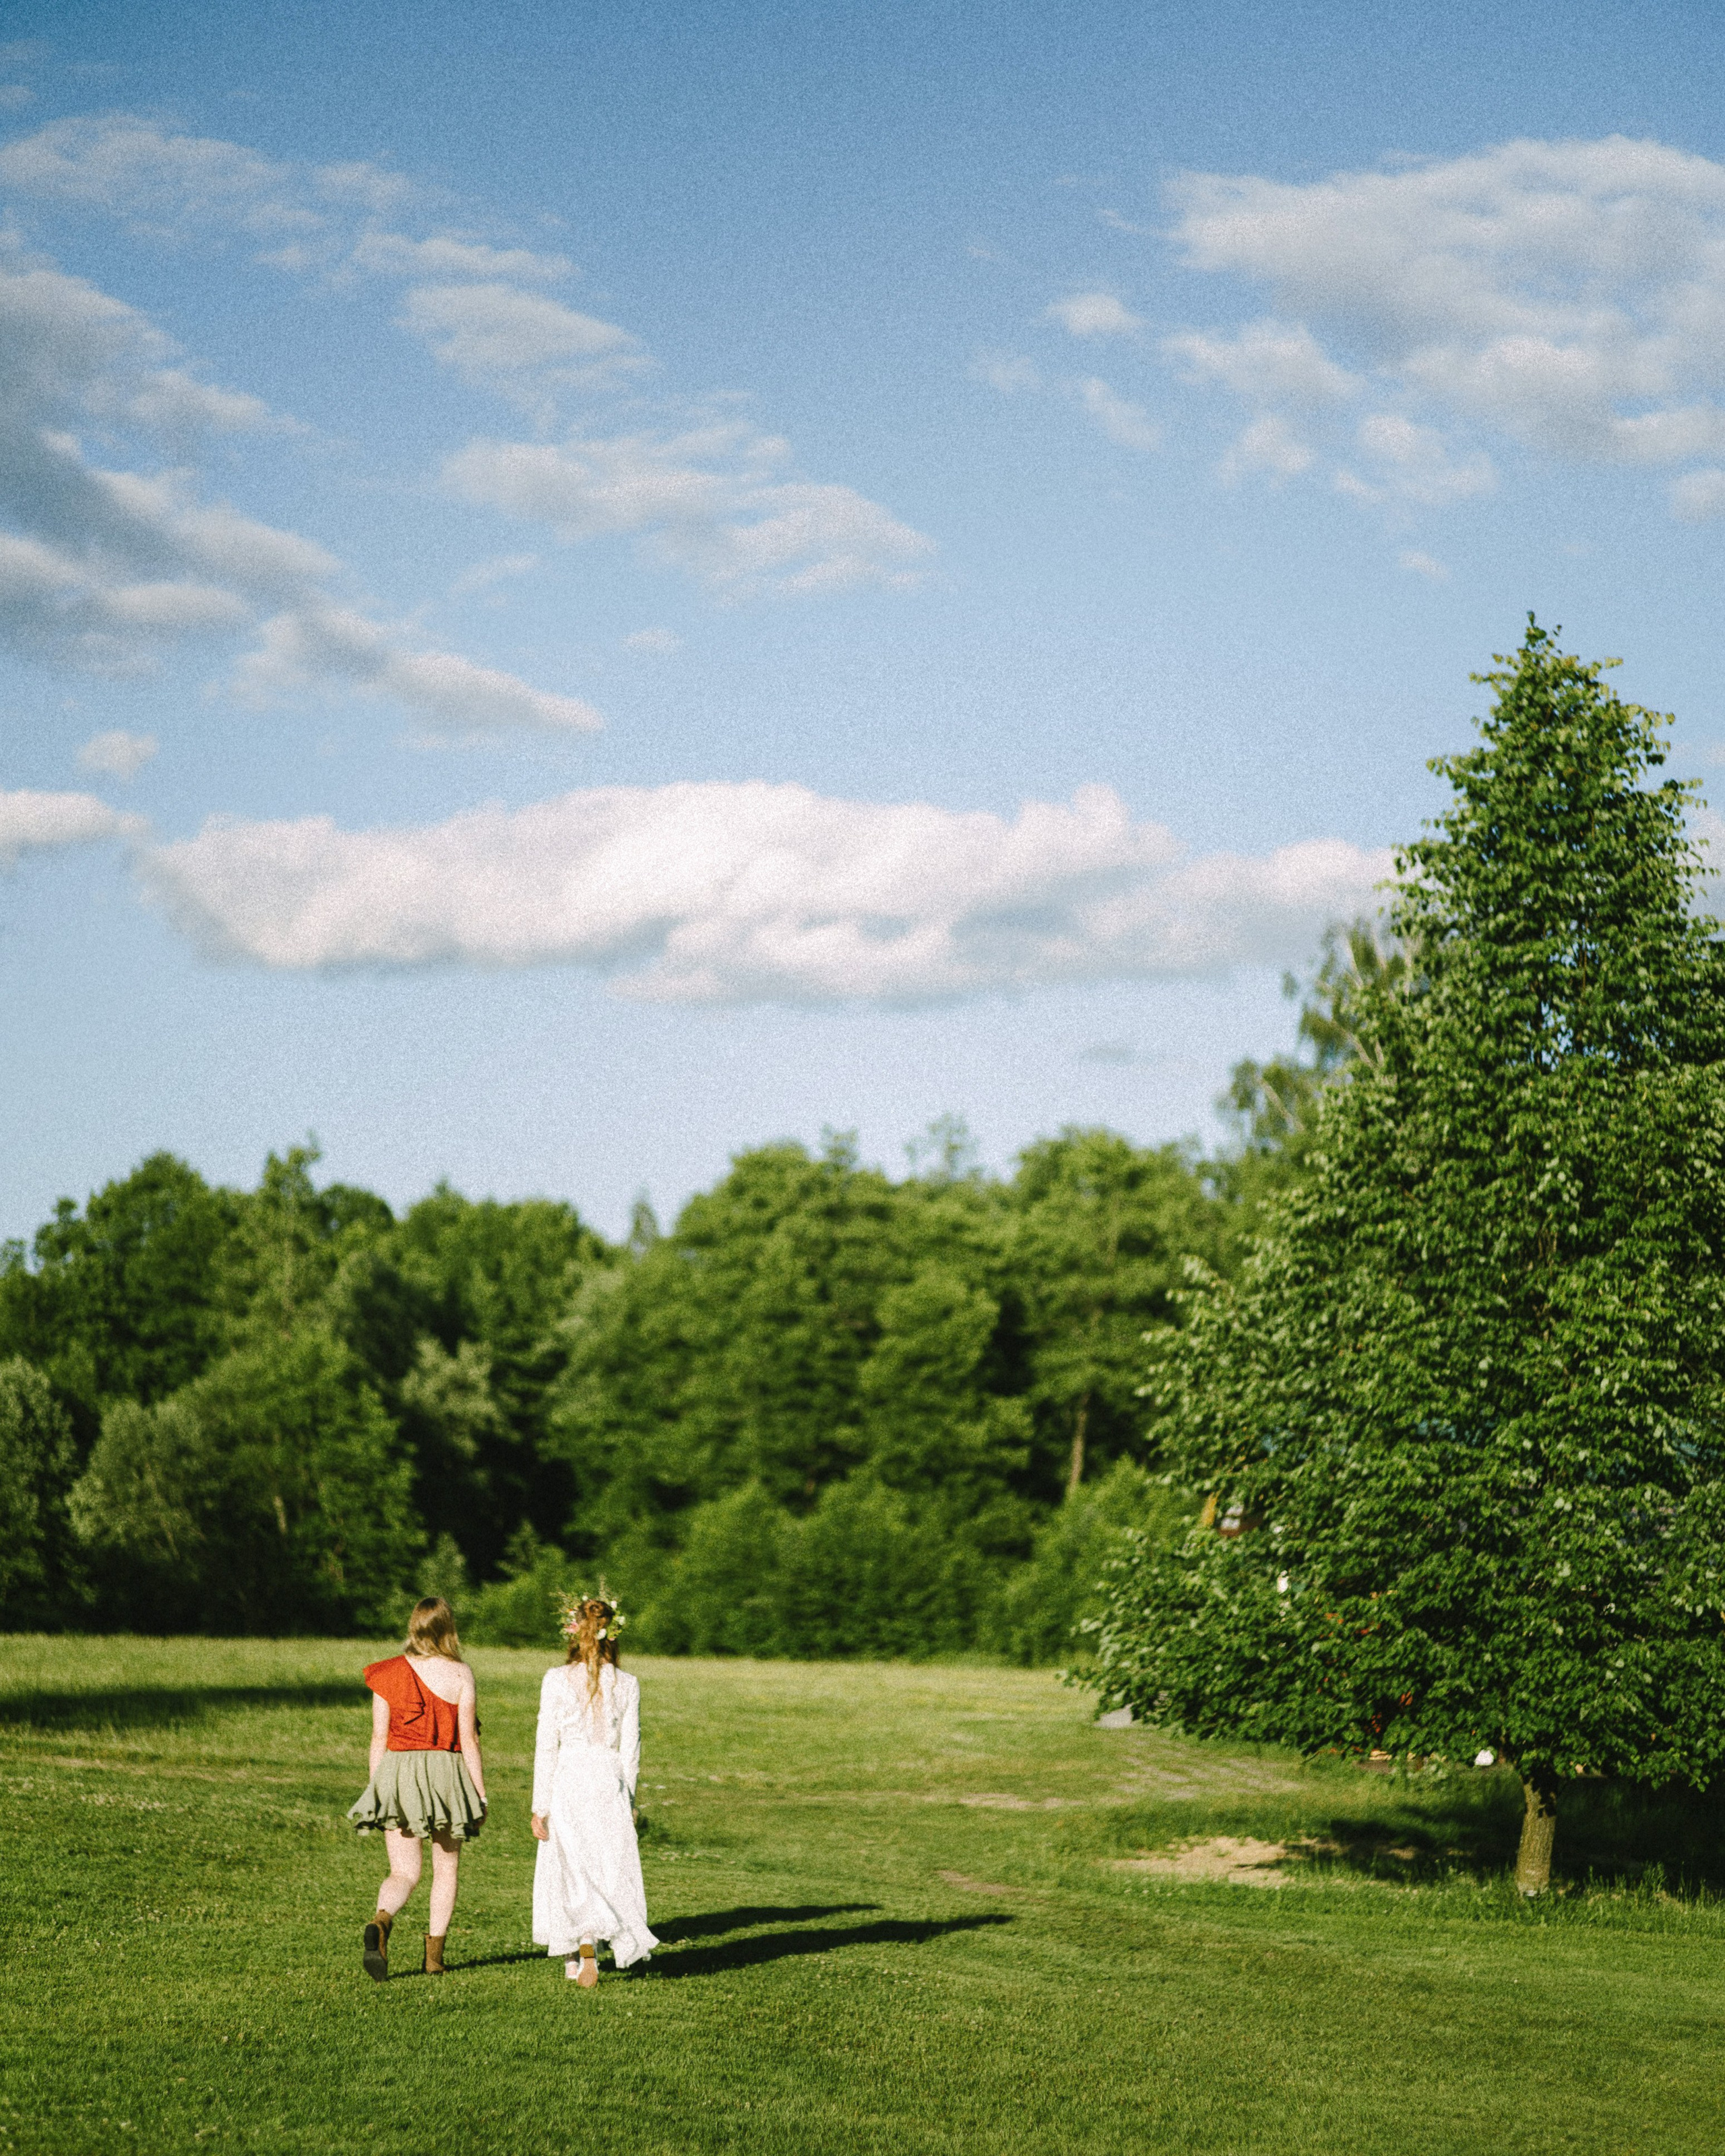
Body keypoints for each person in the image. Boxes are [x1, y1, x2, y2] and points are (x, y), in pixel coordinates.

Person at [348, 1595, 487, 1980]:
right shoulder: (460, 1674)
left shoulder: (388, 1672)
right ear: (448, 1630)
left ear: (413, 1627)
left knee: (404, 1871)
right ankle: (434, 1959)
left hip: (397, 1772)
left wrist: (379, 1787)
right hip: (445, 1773)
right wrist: (480, 1794)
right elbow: (470, 1741)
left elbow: (378, 1737)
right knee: (446, 1867)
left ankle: (381, 1921)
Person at [531, 1593, 659, 1986]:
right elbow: (631, 1749)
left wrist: (539, 1805)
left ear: (573, 1632)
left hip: (569, 1777)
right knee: (604, 1864)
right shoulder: (628, 1683)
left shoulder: (555, 1679)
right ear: (612, 1635)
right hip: (607, 1778)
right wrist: (631, 1799)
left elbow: (546, 1744)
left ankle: (576, 1953)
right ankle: (592, 1943)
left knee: (568, 1864)